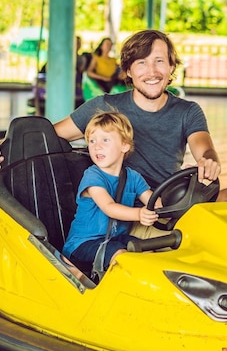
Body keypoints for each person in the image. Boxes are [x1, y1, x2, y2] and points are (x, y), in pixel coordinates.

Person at [0, 29, 227, 236]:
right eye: (141, 63)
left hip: (176, 199)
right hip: (142, 212)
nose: (152, 71)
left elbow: (203, 147)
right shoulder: (105, 106)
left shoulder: (187, 111)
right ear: (128, 71)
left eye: (160, 61)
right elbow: (48, 135)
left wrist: (209, 160)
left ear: (171, 67)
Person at [62, 111, 157, 274]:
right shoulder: (92, 175)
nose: (97, 146)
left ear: (124, 146)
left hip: (114, 239)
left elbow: (155, 203)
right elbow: (109, 207)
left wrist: (176, 202)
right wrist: (139, 214)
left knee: (149, 253)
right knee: (122, 257)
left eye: (105, 140)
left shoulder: (133, 177)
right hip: (82, 244)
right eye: (92, 141)